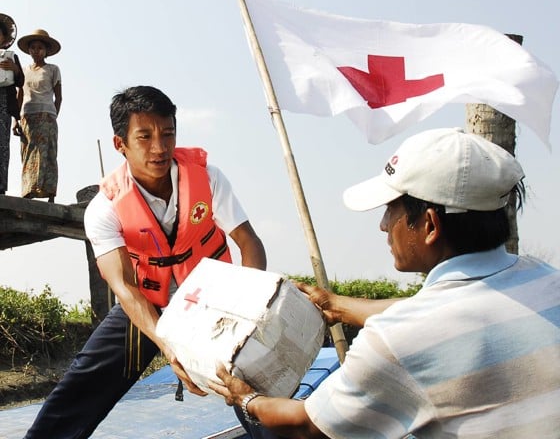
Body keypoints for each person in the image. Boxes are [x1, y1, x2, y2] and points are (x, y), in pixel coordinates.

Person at [210, 127, 560, 438]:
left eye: (391, 210)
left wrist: (247, 398)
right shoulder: (547, 282)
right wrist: (335, 305)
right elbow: (445, 311)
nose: (382, 225)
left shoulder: (399, 338)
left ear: (429, 226)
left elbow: (308, 426)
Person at [23, 85, 274, 439]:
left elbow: (249, 242)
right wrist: (170, 348)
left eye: (168, 134)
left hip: (212, 302)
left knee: (254, 380)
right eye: (144, 136)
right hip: (146, 301)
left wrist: (245, 313)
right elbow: (123, 287)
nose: (159, 147)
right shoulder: (103, 208)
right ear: (120, 144)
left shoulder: (208, 177)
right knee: (85, 381)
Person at [16, 28, 62, 202]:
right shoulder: (24, 70)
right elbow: (19, 95)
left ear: (46, 51)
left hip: (46, 115)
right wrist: (16, 119)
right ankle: (29, 191)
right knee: (29, 154)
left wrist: (53, 115)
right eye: (33, 47)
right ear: (29, 50)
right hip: (27, 115)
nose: (36, 50)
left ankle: (50, 193)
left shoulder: (52, 69)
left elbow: (59, 97)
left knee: (48, 153)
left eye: (40, 48)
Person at [0, 13, 24, 195]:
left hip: (4, 104)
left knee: (2, 144)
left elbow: (20, 82)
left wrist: (15, 70)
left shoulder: (11, 56)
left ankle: (0, 186)